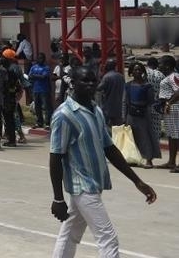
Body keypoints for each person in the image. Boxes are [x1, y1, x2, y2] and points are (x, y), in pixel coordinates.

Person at [49, 65, 157, 257]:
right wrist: (58, 198)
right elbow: (56, 156)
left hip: (94, 183)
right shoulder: (64, 115)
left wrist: (137, 181)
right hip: (82, 186)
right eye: (85, 81)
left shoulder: (95, 110)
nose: (91, 84)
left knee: (69, 235)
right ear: (73, 84)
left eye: (93, 80)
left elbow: (109, 148)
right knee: (108, 238)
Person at [125, 63, 160, 168]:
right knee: (132, 137)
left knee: (145, 137)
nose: (138, 72)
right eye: (135, 70)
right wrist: (124, 116)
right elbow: (125, 101)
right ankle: (134, 158)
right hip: (131, 114)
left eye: (140, 70)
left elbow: (151, 102)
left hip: (143, 114)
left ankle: (148, 159)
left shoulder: (147, 86)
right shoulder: (128, 85)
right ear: (131, 72)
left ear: (143, 72)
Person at [158, 55, 179, 172]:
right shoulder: (168, 77)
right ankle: (171, 162)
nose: (159, 65)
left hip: (174, 107)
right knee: (171, 135)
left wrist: (169, 103)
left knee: (176, 135)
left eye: (160, 63)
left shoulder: (173, 76)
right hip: (169, 108)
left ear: (167, 65)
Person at [97, 60, 125, 126]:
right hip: (119, 104)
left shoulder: (106, 77)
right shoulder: (120, 76)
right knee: (118, 125)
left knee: (106, 124)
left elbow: (99, 88)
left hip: (109, 104)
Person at [29, 52, 52, 128]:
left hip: (44, 90)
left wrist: (35, 76)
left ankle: (47, 123)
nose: (40, 59)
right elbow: (30, 77)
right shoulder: (33, 67)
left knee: (46, 107)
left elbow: (44, 77)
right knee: (37, 107)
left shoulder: (46, 67)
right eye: (39, 58)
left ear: (44, 59)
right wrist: (38, 76)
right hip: (36, 90)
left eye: (42, 58)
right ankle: (39, 122)